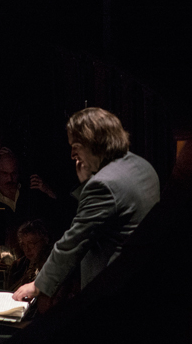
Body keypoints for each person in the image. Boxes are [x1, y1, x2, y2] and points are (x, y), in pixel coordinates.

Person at [14, 107, 161, 304]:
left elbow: (74, 241)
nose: (73, 154)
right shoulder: (142, 165)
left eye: (76, 145)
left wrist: (38, 284)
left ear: (95, 143)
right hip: (142, 281)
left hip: (111, 289)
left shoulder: (103, 184)